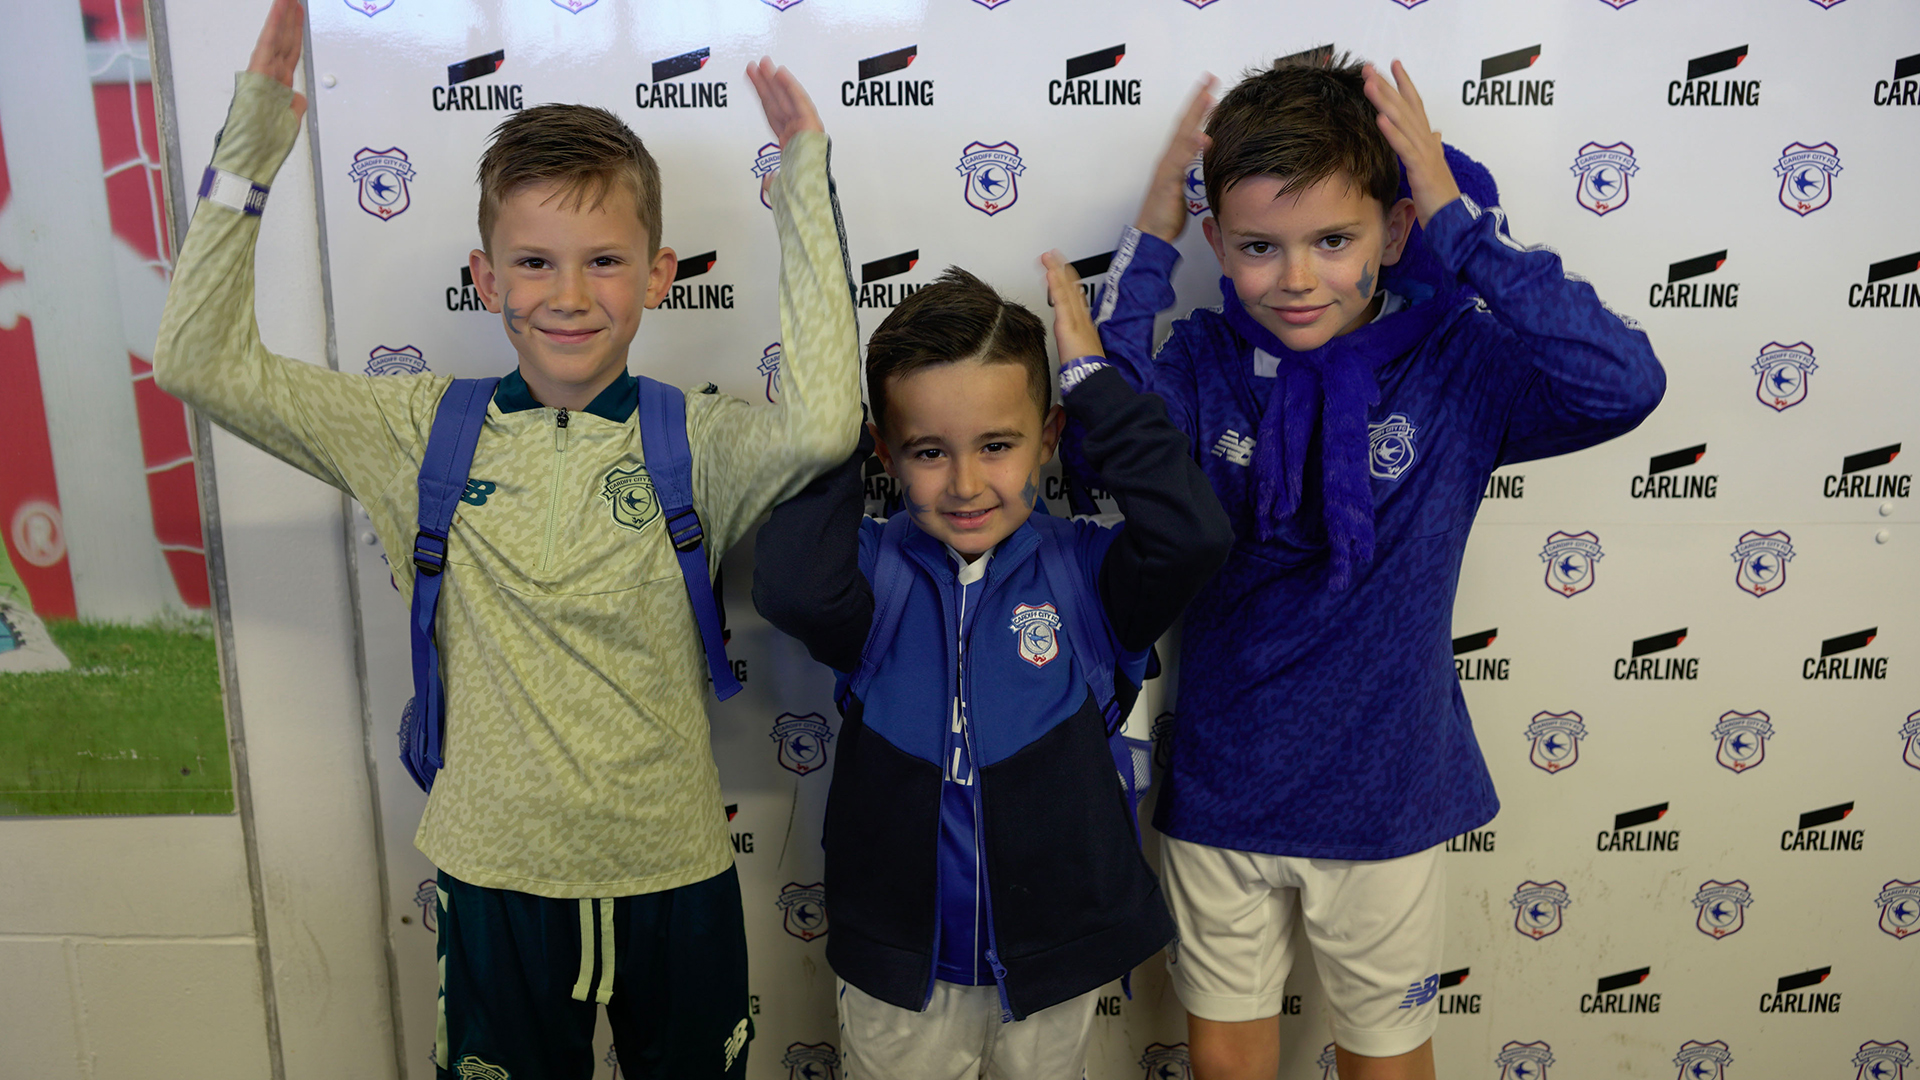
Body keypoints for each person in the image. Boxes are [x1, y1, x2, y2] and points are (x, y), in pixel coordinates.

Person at [151, 0, 860, 1075]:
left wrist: (803, 173)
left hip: (676, 876)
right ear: (486, 280)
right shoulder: (411, 433)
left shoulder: (697, 440)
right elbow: (199, 363)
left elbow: (823, 423)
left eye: (605, 262)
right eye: (533, 263)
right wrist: (254, 140)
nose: (568, 296)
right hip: (494, 884)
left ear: (661, 275)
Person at [1082, 53, 1665, 1080]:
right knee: (1223, 1064)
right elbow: (1097, 444)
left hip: (1389, 795)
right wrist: (1153, 240)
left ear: (1392, 234)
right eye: (1259, 246)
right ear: (1222, 242)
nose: (1297, 278)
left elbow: (1622, 381)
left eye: (1335, 240)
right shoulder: (1203, 364)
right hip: (1224, 791)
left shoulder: (1457, 367)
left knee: (1388, 1062)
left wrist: (1452, 211)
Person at [751, 260, 1233, 1080]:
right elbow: (789, 584)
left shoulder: (1083, 573)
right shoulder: (871, 575)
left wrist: (1091, 383)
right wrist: (834, 419)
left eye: (998, 445)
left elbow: (1193, 534)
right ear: (886, 454)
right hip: (902, 976)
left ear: (1047, 436)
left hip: (1051, 969)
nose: (967, 484)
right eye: (929, 451)